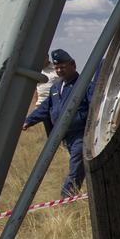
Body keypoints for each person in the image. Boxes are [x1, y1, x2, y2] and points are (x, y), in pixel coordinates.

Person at [23, 49, 95, 197]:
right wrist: (29, 121)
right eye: (56, 67)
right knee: (81, 166)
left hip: (80, 134)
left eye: (62, 66)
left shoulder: (85, 84)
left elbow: (95, 105)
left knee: (76, 167)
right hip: (65, 136)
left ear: (73, 65)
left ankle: (66, 198)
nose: (59, 70)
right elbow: (45, 108)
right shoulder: (56, 87)